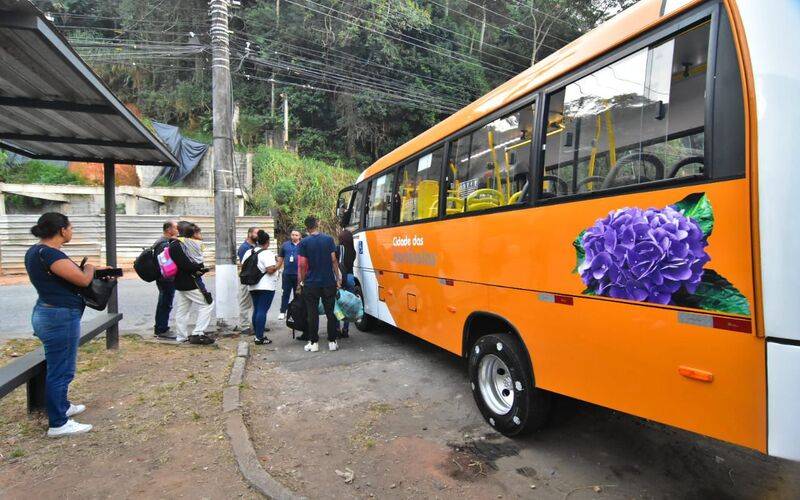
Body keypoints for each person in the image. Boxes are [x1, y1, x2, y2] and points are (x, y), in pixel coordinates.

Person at [25, 213, 97, 437]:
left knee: (59, 365)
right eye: (71, 227)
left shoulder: (35, 252)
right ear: (61, 230)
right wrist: (91, 268)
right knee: (61, 370)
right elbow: (83, 280)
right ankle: (58, 423)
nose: (72, 231)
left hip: (47, 311)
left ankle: (63, 406)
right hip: (59, 316)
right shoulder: (50, 253)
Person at [297, 215, 342, 353]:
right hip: (328, 281)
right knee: (331, 313)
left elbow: (303, 264)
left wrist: (302, 281)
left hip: (311, 283)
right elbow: (334, 260)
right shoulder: (328, 239)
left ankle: (314, 342)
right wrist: (337, 278)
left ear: (306, 227)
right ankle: (332, 342)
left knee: (312, 313)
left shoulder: (304, 242)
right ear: (317, 224)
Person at [169, 222, 214, 344]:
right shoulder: (179, 245)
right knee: (208, 303)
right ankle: (197, 333)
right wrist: (198, 268)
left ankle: (181, 337)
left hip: (181, 281)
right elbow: (186, 265)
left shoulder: (181, 244)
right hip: (190, 281)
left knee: (183, 310)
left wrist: (199, 268)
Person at [242, 230, 278, 345]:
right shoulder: (267, 253)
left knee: (256, 309)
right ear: (267, 242)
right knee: (262, 310)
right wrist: (279, 264)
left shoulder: (249, 252)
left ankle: (257, 334)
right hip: (266, 285)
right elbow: (270, 270)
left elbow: (243, 266)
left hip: (252, 285)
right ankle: (259, 337)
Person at [153, 220, 178, 339]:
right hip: (166, 278)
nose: (177, 230)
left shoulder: (162, 241)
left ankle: (161, 328)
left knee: (164, 302)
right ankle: (161, 329)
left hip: (163, 278)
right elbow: (166, 262)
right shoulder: (164, 244)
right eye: (175, 228)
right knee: (165, 303)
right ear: (169, 230)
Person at [236, 227, 259, 334]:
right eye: (256, 233)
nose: (258, 235)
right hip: (246, 278)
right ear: (250, 234)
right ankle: (244, 326)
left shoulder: (256, 246)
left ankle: (257, 324)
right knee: (245, 302)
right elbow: (246, 265)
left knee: (256, 303)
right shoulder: (244, 247)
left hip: (255, 278)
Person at [276, 229, 301, 321]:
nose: (294, 236)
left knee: (297, 294)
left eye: (296, 235)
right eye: (292, 235)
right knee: (285, 293)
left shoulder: (303, 245)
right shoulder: (285, 245)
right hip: (287, 274)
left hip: (298, 275)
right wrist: (277, 270)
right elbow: (280, 258)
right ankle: (282, 311)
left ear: (300, 236)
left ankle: (296, 312)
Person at [336, 229, 357, 338]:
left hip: (340, 278)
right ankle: (346, 329)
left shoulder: (338, 248)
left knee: (337, 303)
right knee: (348, 304)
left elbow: (334, 262)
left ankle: (337, 329)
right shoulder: (353, 251)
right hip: (350, 277)